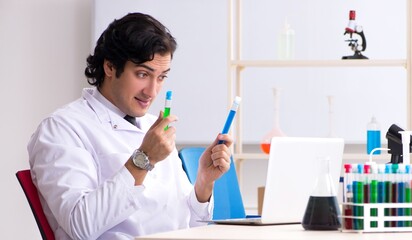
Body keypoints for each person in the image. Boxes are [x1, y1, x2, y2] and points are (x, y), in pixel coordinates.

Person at [27, 12, 233, 240]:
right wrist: (144, 159)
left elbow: (190, 226)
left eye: (162, 77)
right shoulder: (62, 128)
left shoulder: (152, 126)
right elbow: (80, 227)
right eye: (143, 74)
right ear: (110, 67)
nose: (152, 91)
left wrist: (203, 183)